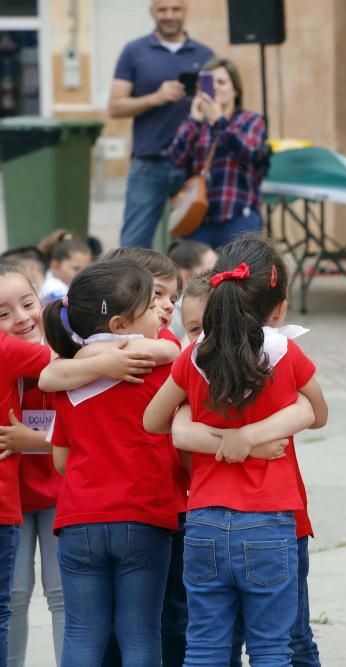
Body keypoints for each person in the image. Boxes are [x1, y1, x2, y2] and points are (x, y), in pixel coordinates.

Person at [143, 237, 327, 665]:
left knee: (205, 645)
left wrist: (202, 431)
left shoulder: (193, 358)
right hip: (270, 519)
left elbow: (153, 421)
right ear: (277, 309)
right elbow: (317, 411)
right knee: (270, 649)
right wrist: (250, 438)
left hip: (205, 518)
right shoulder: (285, 352)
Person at [38, 259, 180, 667]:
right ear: (120, 324)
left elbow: (62, 460)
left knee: (82, 634)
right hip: (144, 513)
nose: (161, 314)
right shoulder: (159, 367)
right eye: (151, 307)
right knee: (140, 634)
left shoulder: (68, 375)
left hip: (79, 517)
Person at [110, 0, 214, 249]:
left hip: (193, 166)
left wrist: (203, 101)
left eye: (175, 9)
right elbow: (115, 107)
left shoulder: (205, 55)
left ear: (185, 11)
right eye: (162, 10)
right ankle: (131, 289)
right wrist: (156, 98)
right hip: (149, 163)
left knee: (196, 248)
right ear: (152, 12)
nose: (169, 16)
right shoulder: (134, 51)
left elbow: (215, 109)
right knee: (133, 247)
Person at [0, 265, 63, 667]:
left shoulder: (65, 358)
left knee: (61, 596)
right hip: (13, 500)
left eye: (28, 304)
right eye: (3, 313)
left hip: (60, 490)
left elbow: (88, 432)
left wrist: (36, 441)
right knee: (15, 595)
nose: (22, 318)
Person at [167, 58, 268, 249]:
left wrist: (219, 120)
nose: (215, 88)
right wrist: (194, 121)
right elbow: (175, 158)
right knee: (198, 277)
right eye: (209, 83)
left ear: (235, 90)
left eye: (221, 82)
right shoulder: (195, 123)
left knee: (237, 277)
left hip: (238, 217)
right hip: (198, 219)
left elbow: (249, 152)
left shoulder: (251, 120)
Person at [37, 233, 92, 305]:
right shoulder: (54, 289)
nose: (82, 274)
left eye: (86, 269)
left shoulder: (65, 285)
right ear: (55, 266)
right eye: (76, 268)